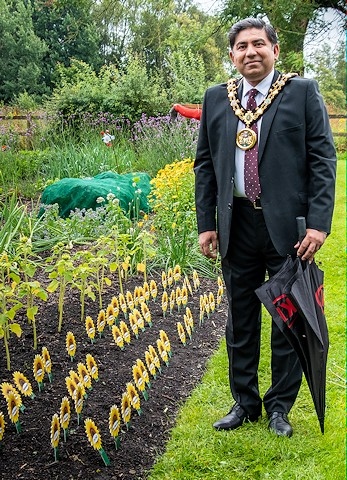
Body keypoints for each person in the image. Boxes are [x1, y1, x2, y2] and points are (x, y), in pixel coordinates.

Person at [194, 17, 336, 437]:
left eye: (259, 44)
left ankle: (279, 408)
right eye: (241, 46)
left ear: (275, 50)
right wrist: (207, 224)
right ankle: (245, 403)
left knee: (286, 317)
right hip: (235, 223)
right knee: (239, 319)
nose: (250, 52)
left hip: (288, 228)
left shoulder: (301, 93)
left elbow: (323, 162)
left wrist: (318, 225)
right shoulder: (217, 99)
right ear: (232, 55)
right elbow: (205, 165)